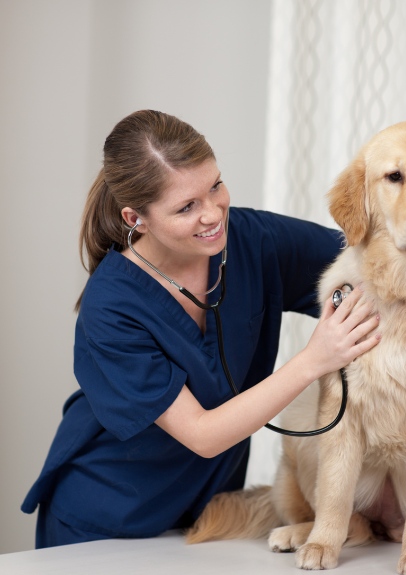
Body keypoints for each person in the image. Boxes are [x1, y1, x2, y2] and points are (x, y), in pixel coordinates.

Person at [22, 109, 380, 548]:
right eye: (187, 207)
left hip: (208, 516)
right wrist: (315, 359)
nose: (213, 214)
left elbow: (369, 260)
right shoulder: (111, 307)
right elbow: (203, 435)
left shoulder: (253, 241)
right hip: (105, 517)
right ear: (137, 218)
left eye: (215, 186)